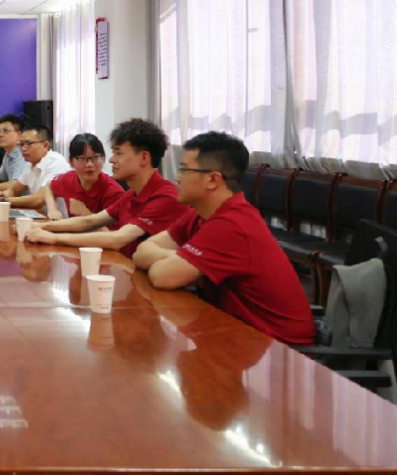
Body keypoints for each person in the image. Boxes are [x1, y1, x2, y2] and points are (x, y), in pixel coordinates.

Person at [133, 131, 315, 344]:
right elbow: (141, 251)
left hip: (280, 349)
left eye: (184, 169)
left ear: (213, 179)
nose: (177, 177)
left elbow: (162, 276)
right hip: (241, 335)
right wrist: (184, 260)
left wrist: (183, 262)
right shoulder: (200, 213)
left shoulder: (232, 224)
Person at [22, 118, 188, 258]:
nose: (111, 160)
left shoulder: (165, 197)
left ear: (144, 158)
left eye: (118, 153)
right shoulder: (132, 195)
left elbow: (116, 239)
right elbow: (89, 221)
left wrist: (55, 238)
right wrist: (40, 227)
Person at [40, 133, 125, 220]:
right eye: (82, 158)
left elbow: (116, 229)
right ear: (71, 162)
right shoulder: (69, 179)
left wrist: (85, 213)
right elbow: (48, 186)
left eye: (96, 157)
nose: (90, 164)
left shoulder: (113, 192)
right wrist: (52, 209)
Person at [0, 124, 71, 206]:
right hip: (40, 213)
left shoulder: (56, 163)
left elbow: (38, 200)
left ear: (45, 145)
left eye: (29, 143)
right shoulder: (30, 164)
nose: (23, 148)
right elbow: (13, 190)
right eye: (21, 144)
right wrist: (0, 194)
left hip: (58, 214)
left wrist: (3, 200)